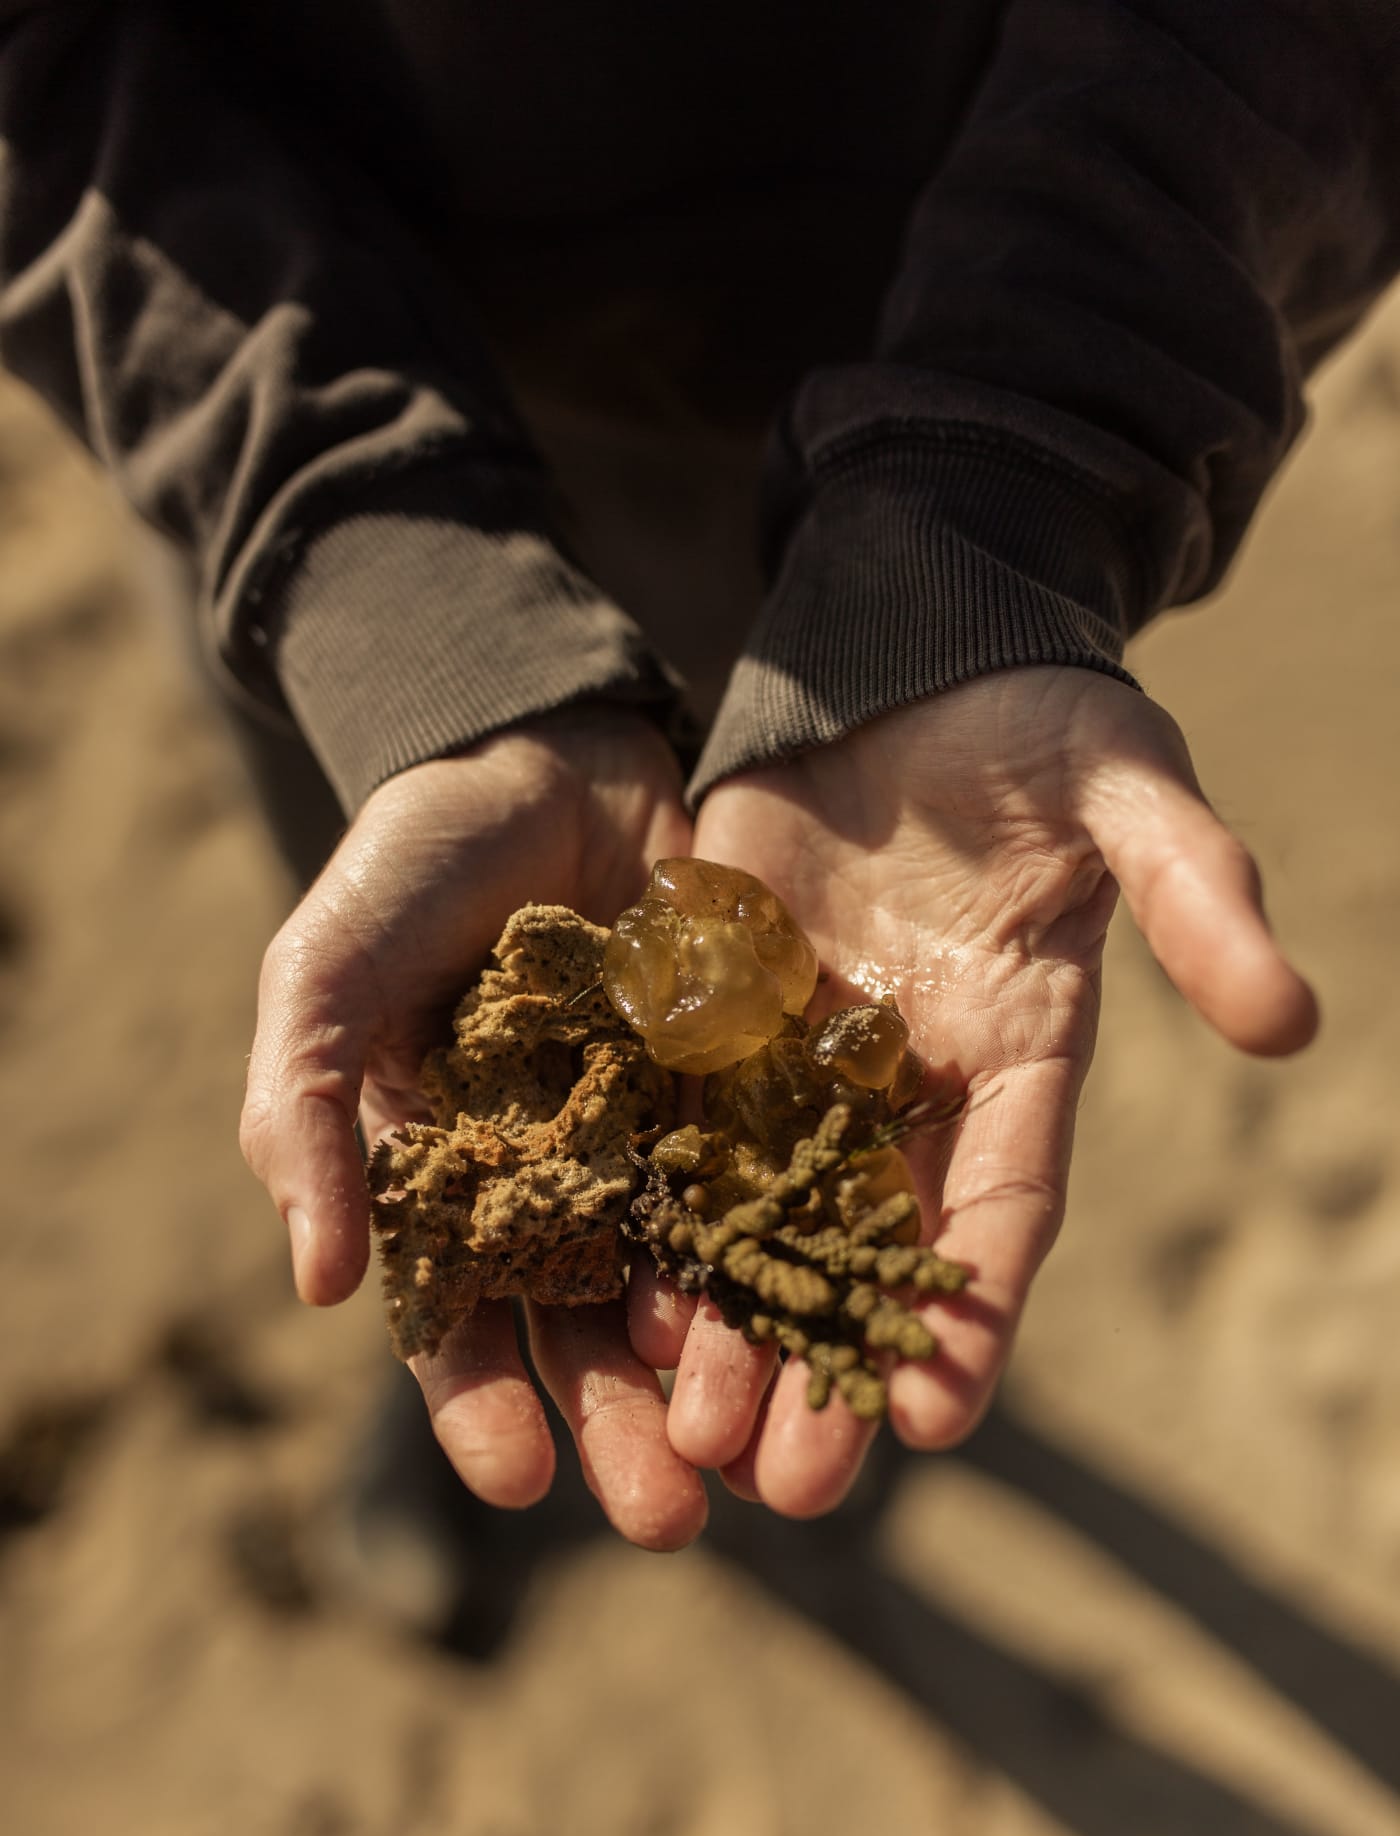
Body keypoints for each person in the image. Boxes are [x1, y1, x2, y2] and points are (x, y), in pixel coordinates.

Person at [2, 1, 1389, 1552]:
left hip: (928, 314)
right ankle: (500, 1279)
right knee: (387, 931)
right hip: (279, 385)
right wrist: (374, 583)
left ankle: (834, 1322)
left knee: (779, 769)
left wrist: (1017, 472)